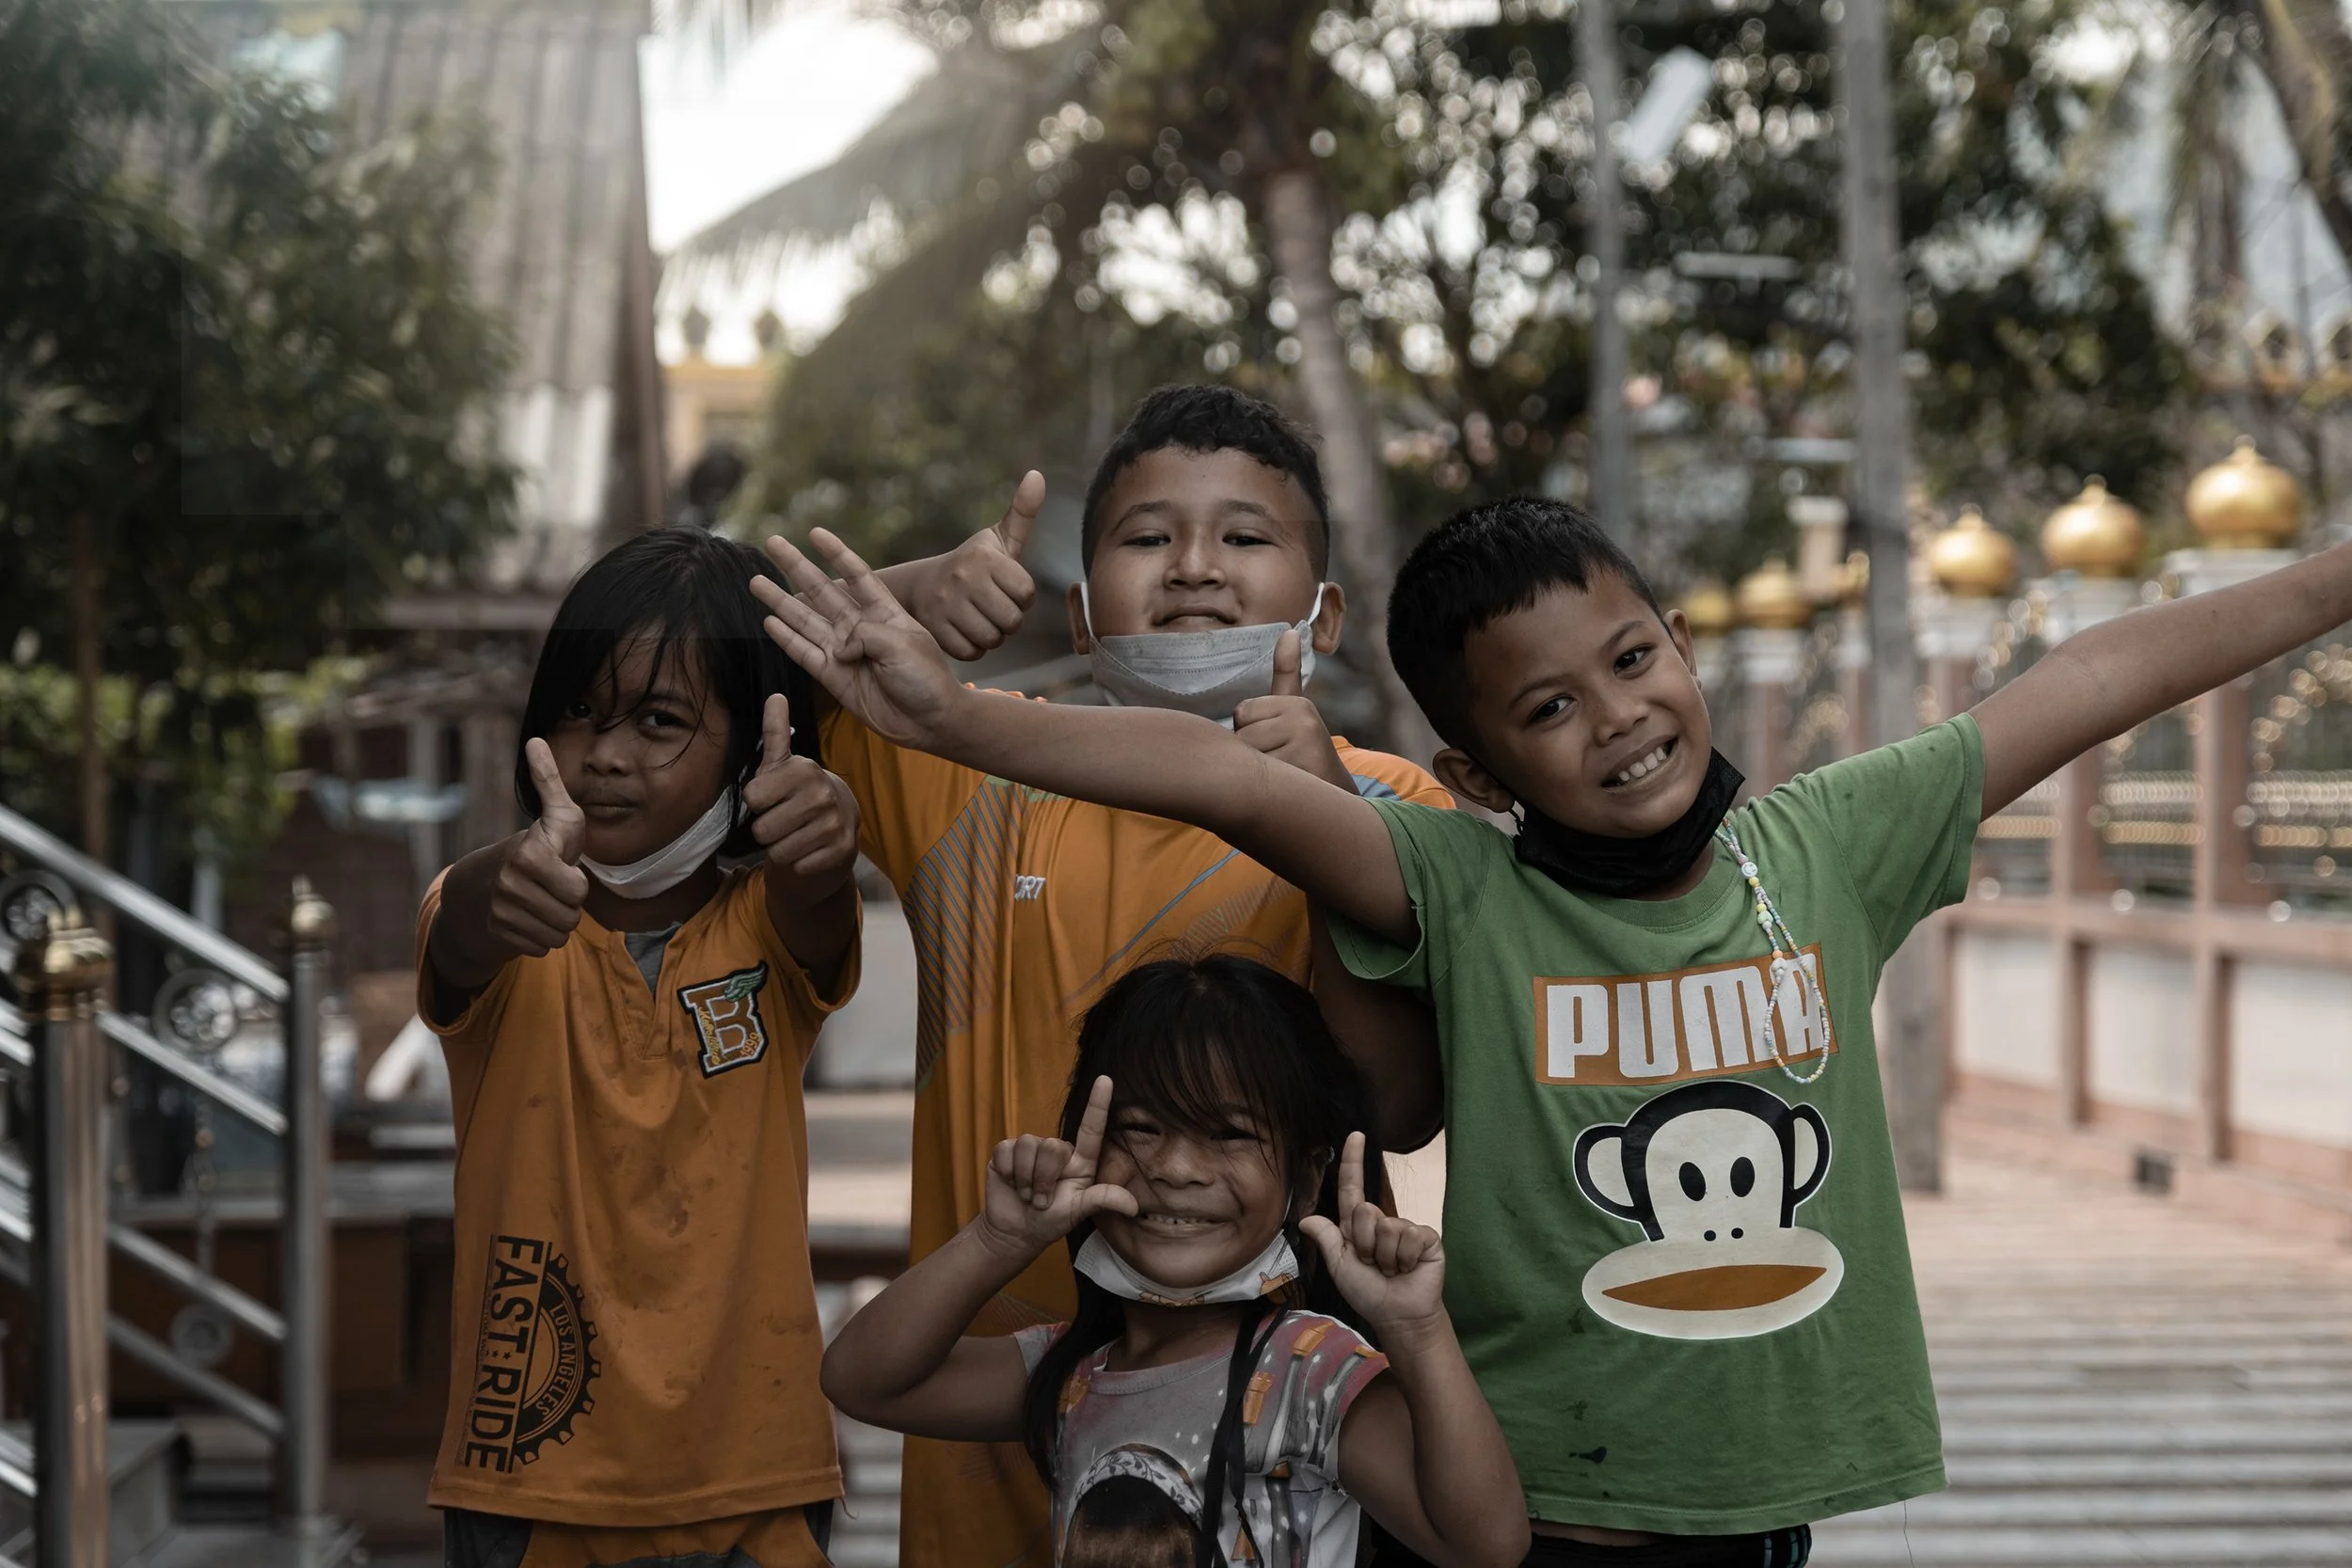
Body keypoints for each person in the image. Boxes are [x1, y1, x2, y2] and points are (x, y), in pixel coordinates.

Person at [754, 491, 2352, 1564]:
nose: (1621, 716)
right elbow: (1232, 781)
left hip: (1763, 1502)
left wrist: (2335, 577)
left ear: (1681, 643)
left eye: (1636, 657)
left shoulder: (1825, 846)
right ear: (1486, 771)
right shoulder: (1455, 881)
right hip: (1533, 1495)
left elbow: (2094, 672)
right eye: (1550, 708)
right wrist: (957, 720)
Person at [781, 385, 1456, 1567]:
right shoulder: (961, 765)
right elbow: (717, 675)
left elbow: (1400, 1105)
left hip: (1287, 1458)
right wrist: (909, 589)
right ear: (1082, 616)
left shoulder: (1397, 806)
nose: (1194, 567)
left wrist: (1325, 816)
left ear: (1327, 613)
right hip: (992, 1422)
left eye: (1244, 536)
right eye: (1147, 538)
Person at [419, 527, 861, 1568]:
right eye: (577, 710)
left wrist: (825, 827)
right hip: (530, 1478)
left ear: (754, 748)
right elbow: (465, 924)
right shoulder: (487, 907)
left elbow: (820, 900)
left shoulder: (773, 925)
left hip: (761, 1476)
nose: (605, 753)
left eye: (659, 720)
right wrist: (502, 883)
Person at [821, 956, 1529, 1568]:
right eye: (1141, 1128)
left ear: (1307, 1179)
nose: (1175, 1167)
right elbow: (862, 1380)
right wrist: (998, 1239)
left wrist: (1418, 1329)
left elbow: (1484, 1546)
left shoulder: (1307, 1369)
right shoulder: (1073, 1376)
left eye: (1227, 1133)